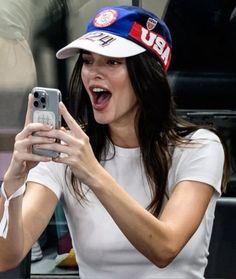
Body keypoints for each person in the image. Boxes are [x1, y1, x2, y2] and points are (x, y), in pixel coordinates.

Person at [0, 5, 230, 279]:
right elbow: (7, 257)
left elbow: (165, 248)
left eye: (112, 62)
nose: (93, 73)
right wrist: (12, 185)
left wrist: (92, 172)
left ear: (148, 74)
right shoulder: (68, 152)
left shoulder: (200, 146)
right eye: (87, 60)